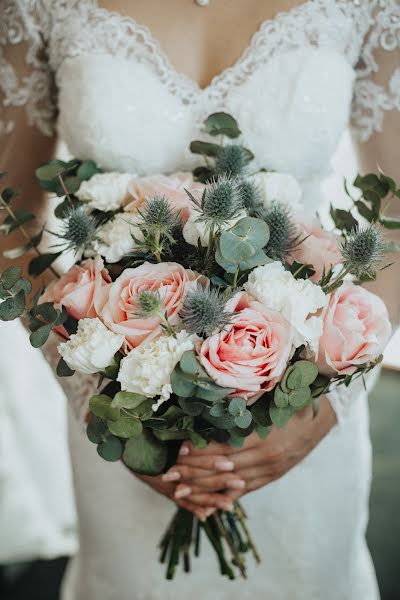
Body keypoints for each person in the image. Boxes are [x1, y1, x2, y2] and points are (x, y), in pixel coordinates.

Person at [1, 1, 399, 598]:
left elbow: (394, 214)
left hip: (304, 411)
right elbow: (10, 218)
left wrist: (325, 404)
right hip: (121, 414)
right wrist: (96, 395)